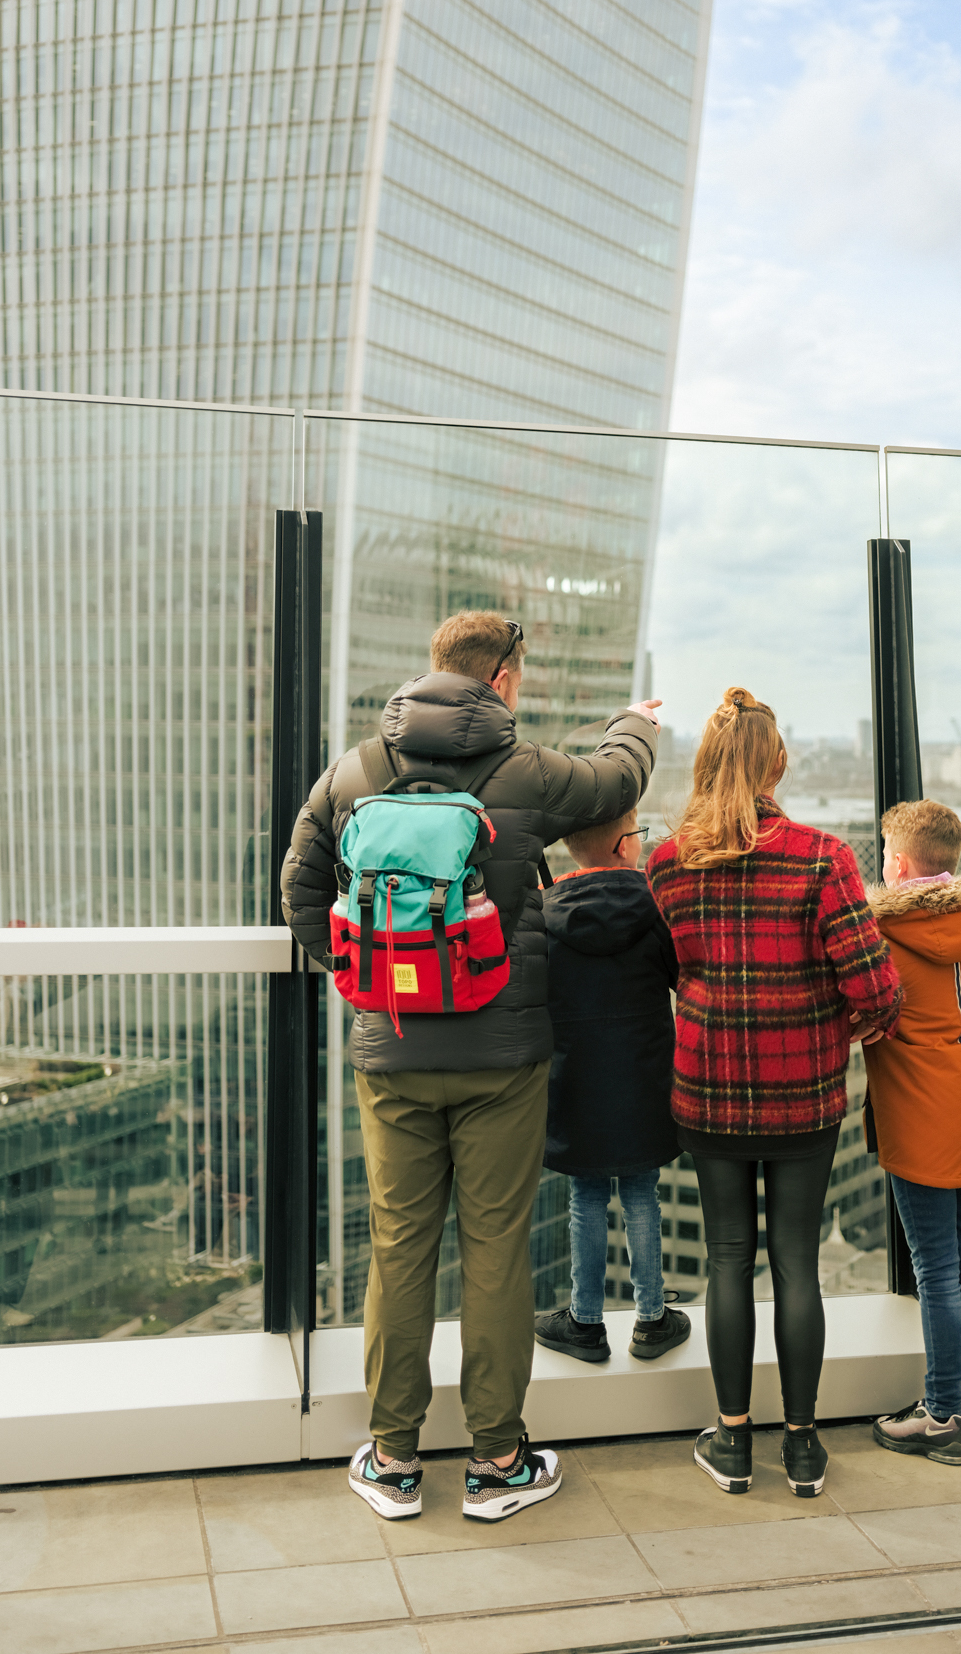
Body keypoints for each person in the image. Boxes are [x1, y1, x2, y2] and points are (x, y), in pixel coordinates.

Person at [280, 610, 661, 1524]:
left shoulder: (355, 772)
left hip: (395, 1049)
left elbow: (299, 888)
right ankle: (497, 1462)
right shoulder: (525, 771)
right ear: (504, 678)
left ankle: (395, 1460)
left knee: (399, 1249)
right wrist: (637, 722)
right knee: (493, 1252)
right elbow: (616, 779)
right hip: (502, 1055)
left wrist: (363, 978)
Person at [647, 688, 902, 1499]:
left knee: (728, 1260)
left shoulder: (666, 862)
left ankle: (731, 1440)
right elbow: (876, 985)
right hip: (804, 1091)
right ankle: (801, 1447)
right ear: (778, 763)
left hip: (710, 1087)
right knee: (797, 1263)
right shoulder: (824, 857)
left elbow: (667, 975)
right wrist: (852, 1028)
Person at [862, 798, 961, 1464]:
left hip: (917, 1106)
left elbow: (867, 1006)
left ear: (897, 864)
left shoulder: (884, 933)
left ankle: (941, 1416)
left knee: (935, 1269)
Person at [533, 806, 691, 1366]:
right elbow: (685, 980)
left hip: (575, 1078)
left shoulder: (545, 913)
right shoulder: (658, 908)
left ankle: (585, 1320)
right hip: (645, 1075)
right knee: (642, 1193)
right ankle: (651, 1318)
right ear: (626, 846)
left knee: (586, 1198)